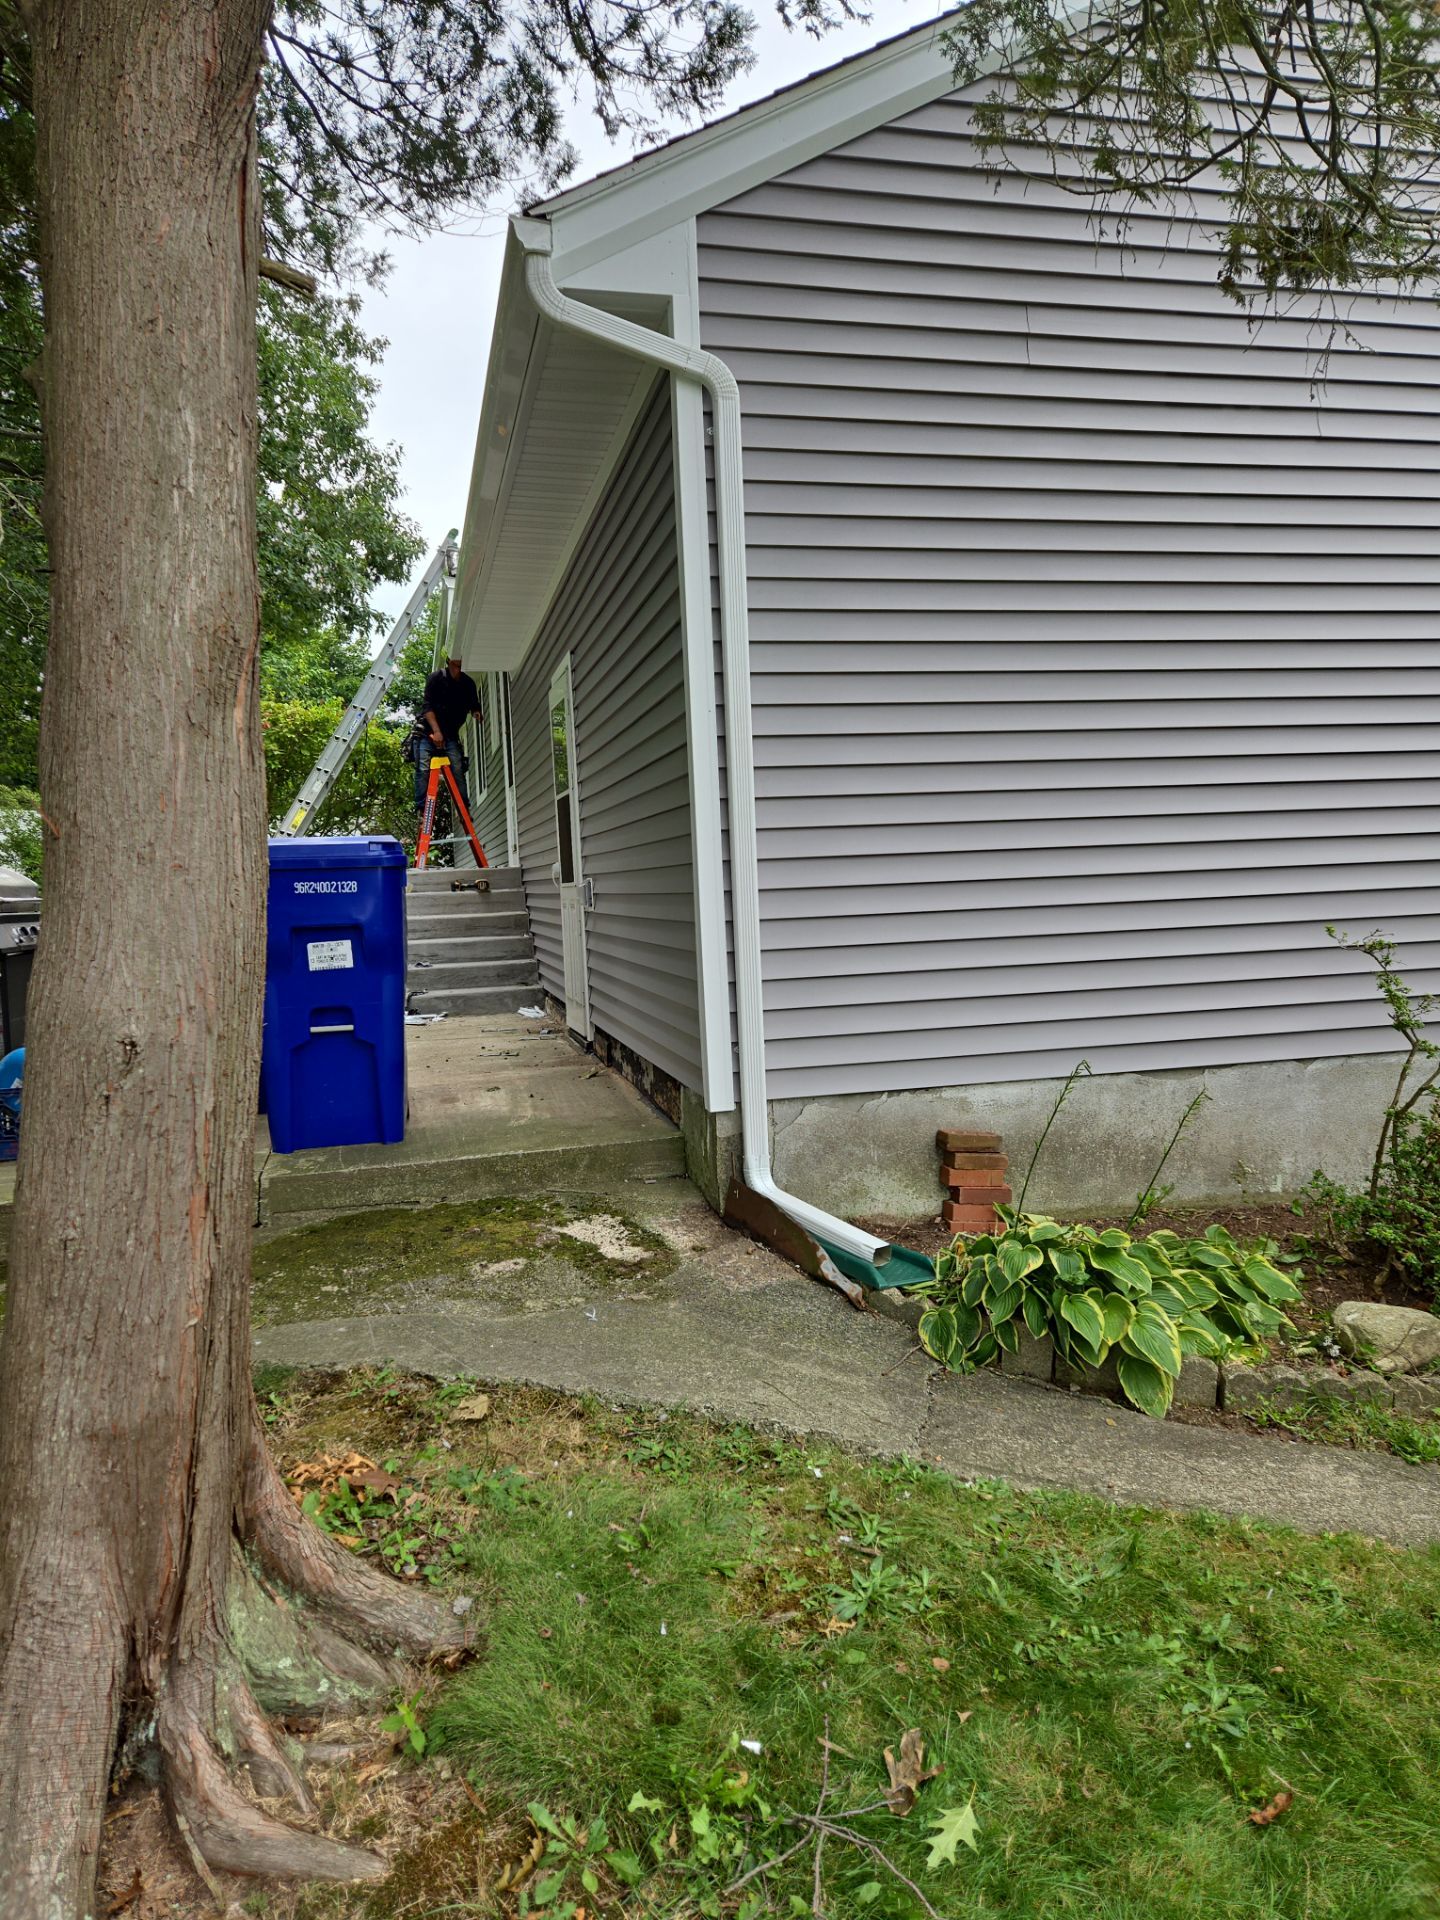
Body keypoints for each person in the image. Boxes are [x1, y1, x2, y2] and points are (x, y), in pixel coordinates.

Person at [416, 655, 483, 818]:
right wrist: (436, 731)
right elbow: (427, 708)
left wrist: (476, 712)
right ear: (449, 661)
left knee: (458, 768)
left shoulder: (468, 683)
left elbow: (474, 704)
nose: (459, 666)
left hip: (451, 734)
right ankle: (422, 810)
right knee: (423, 768)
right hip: (429, 732)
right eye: (456, 662)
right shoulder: (436, 678)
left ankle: (463, 810)